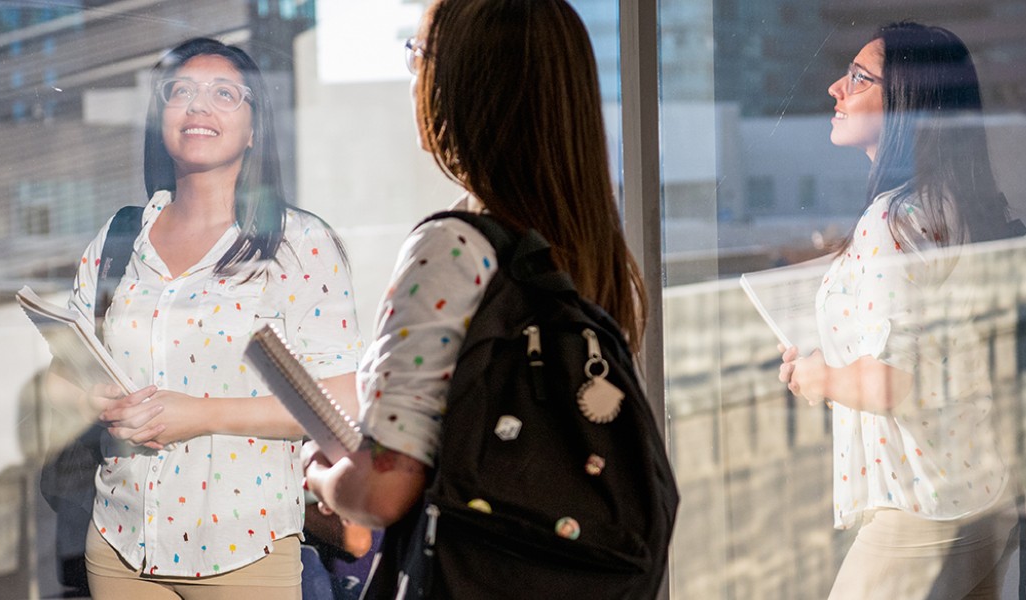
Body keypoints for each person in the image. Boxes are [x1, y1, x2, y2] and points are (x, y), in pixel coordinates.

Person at [303, 0, 647, 580]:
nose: (414, 73)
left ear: (462, 86)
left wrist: (322, 476)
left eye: (419, 56)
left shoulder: (450, 251)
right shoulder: (593, 249)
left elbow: (387, 489)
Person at [64, 37, 361, 599]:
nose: (199, 106)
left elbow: (342, 402)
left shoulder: (298, 243)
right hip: (120, 542)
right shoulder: (119, 236)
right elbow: (74, 367)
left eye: (224, 93)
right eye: (181, 92)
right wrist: (93, 399)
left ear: (253, 129)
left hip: (241, 548)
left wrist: (199, 415)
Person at [778, 22, 1022, 599]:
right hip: (982, 490)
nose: (836, 89)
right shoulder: (954, 203)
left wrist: (819, 377)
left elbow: (890, 383)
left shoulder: (890, 221)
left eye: (859, 78)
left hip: (921, 504)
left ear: (907, 103)